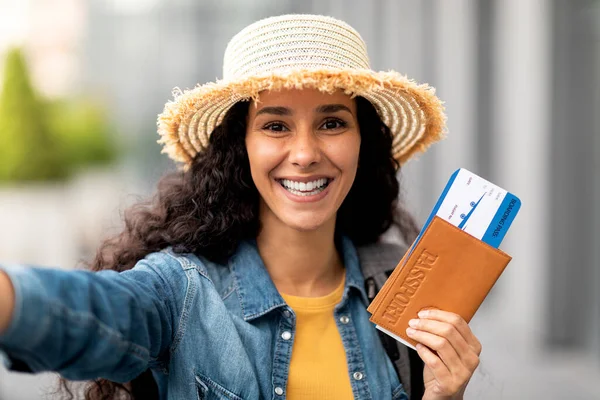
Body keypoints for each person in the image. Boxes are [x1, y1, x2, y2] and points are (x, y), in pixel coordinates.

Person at [0, 14, 482, 400]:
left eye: (332, 123)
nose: (306, 152)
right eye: (275, 126)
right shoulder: (183, 291)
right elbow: (96, 313)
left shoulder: (404, 278)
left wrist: (444, 396)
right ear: (240, 147)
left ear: (363, 142)